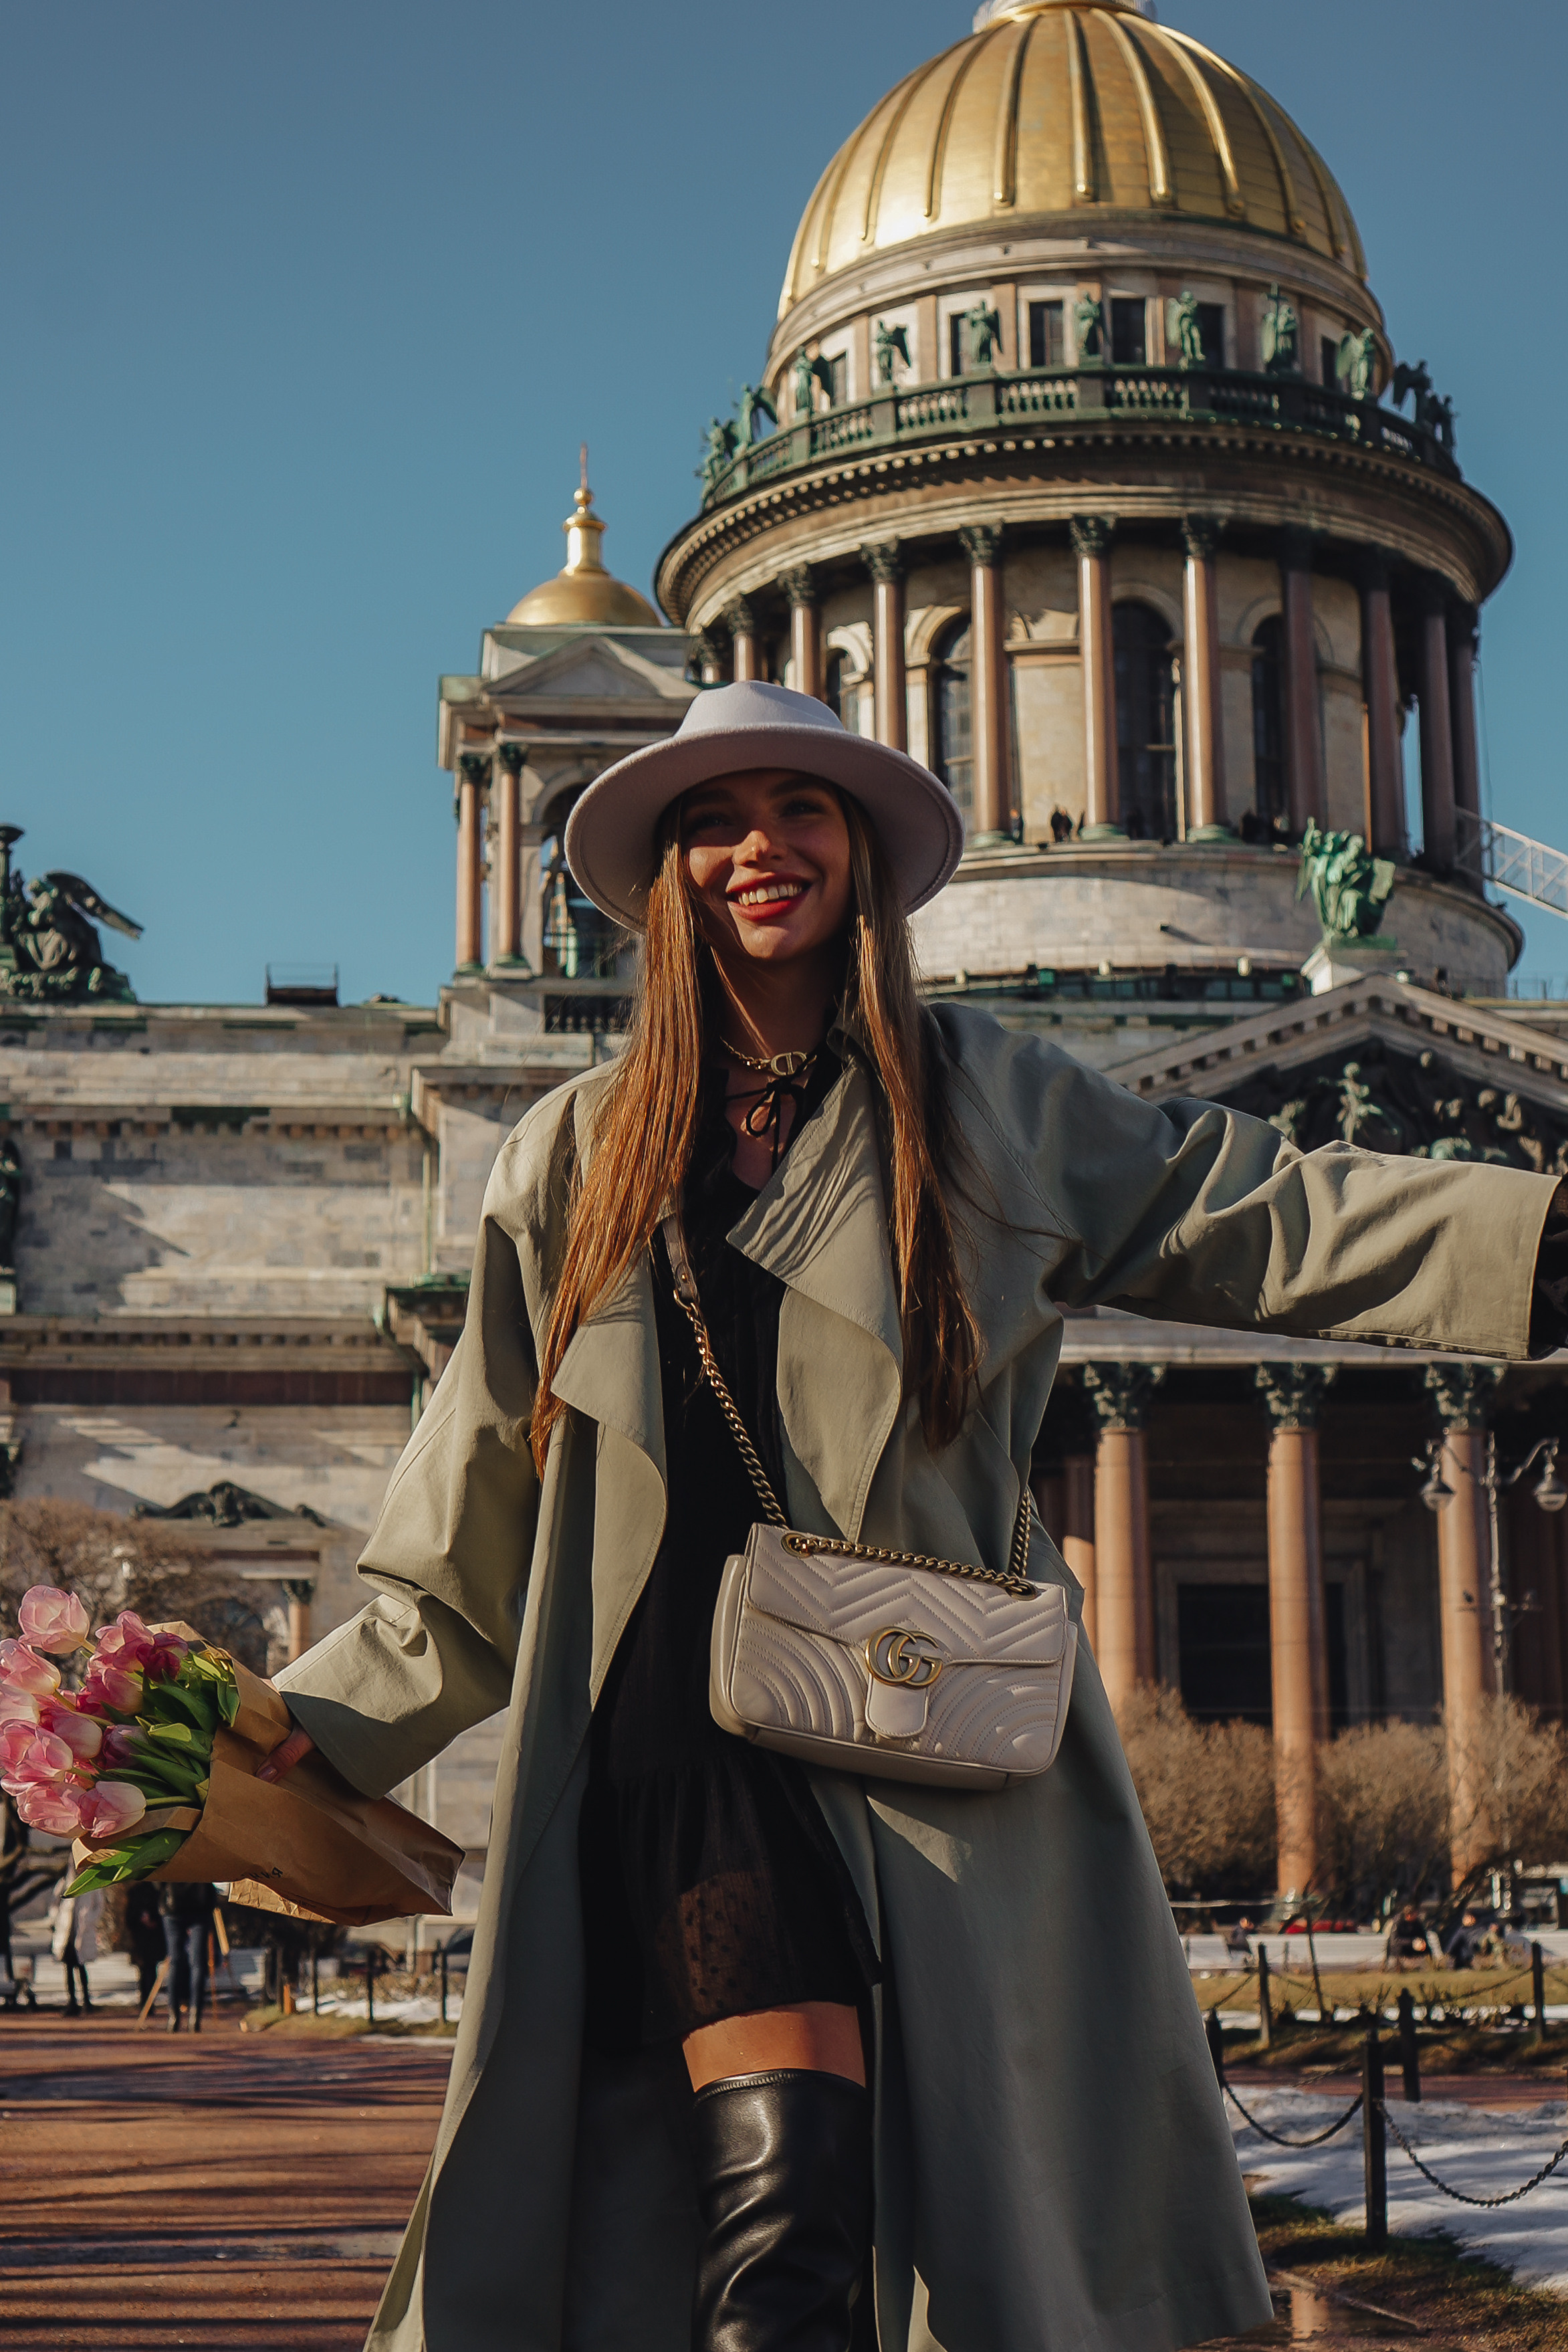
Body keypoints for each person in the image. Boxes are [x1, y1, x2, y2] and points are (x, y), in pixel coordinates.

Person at [260, 681, 1568, 2352]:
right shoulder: (571, 1154)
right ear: (665, 871)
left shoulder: (989, 1104)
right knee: (789, 2190)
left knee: (866, 2226)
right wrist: (281, 1734)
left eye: (803, 810)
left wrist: (1537, 1244)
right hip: (678, 1750)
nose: (761, 849)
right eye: (717, 822)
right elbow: (474, 1529)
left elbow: (1252, 1207)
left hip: (911, 1727)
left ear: (864, 851)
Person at [160, 1881, 219, 2032]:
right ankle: (195, 2018)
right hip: (200, 1905)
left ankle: (173, 2017)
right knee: (198, 1963)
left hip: (173, 1905)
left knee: (175, 1962)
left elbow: (157, 1878)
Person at [51, 1886, 102, 2015]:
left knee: (81, 1967)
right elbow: (54, 1904)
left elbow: (99, 1906)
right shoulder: (65, 1883)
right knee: (68, 1969)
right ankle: (72, 2002)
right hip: (67, 1933)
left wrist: (89, 1919)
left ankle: (87, 2001)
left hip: (82, 1933)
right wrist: (58, 1919)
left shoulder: (92, 1884)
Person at [122, 1880, 166, 2013]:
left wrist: (154, 1922)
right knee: (145, 1970)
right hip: (141, 1938)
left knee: (149, 1970)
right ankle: (146, 2002)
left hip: (152, 1938)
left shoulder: (158, 1890)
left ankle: (148, 2002)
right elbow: (129, 1917)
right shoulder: (138, 1892)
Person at [1387, 1904, 1434, 1968]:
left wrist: (1422, 1943)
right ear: (1408, 1915)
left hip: (1415, 1949)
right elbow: (1394, 1941)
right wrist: (1412, 1942)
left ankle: (1431, 1965)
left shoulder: (1417, 1923)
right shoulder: (1398, 1923)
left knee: (1427, 1950)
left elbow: (1423, 1936)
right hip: (1401, 1949)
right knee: (1399, 1949)